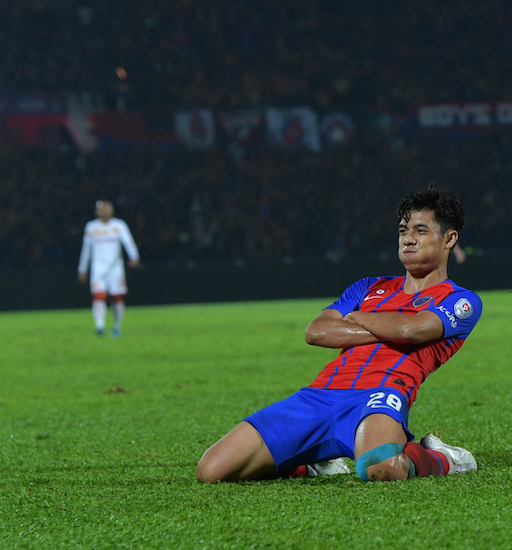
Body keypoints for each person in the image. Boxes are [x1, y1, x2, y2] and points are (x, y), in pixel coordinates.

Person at [197, 186, 482, 483]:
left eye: (420, 230)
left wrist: (359, 317)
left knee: (381, 468)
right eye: (403, 230)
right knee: (211, 470)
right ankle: (307, 463)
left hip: (380, 395)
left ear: (449, 239)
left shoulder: (460, 300)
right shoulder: (369, 286)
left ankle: (443, 458)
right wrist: (390, 329)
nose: (408, 239)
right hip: (321, 393)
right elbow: (317, 331)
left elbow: (412, 330)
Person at [77, 200, 140, 337]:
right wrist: (82, 269)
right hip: (98, 268)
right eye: (100, 209)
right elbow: (86, 249)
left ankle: (116, 326)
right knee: (99, 296)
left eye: (106, 209)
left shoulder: (119, 225)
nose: (103, 212)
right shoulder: (92, 227)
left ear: (111, 211)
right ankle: (100, 325)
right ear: (97, 212)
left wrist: (134, 256)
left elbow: (128, 241)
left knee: (117, 297)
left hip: (115, 268)